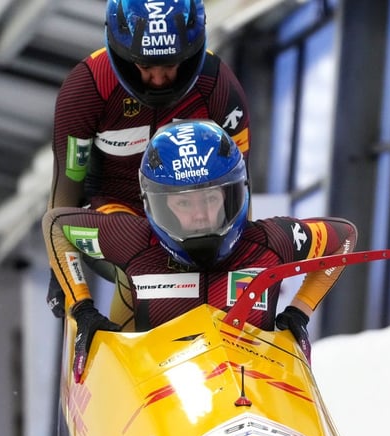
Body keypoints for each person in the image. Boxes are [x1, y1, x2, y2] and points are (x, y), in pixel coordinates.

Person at [43, 120, 357, 382]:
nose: (199, 216)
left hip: (252, 394)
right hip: (159, 403)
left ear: (233, 195)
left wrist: (299, 312)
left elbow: (342, 238)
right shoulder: (132, 240)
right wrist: (81, 308)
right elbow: (57, 226)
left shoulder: (270, 241)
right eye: (183, 203)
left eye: (211, 199)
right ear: (157, 204)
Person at [46, 0, 251, 331]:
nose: (158, 79)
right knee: (143, 262)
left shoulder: (217, 86)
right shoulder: (87, 89)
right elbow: (66, 186)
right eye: (144, 65)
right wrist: (61, 271)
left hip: (193, 215)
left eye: (171, 65)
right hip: (113, 208)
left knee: (217, 264)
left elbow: (241, 186)